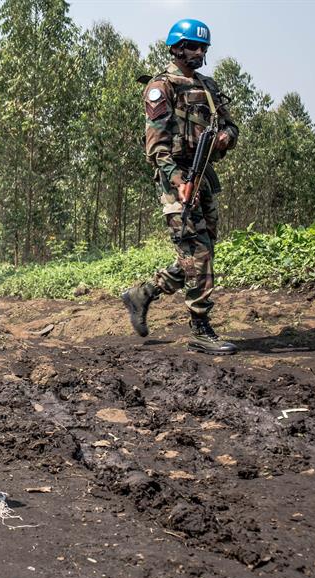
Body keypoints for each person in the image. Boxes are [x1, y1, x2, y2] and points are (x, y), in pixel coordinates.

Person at [121, 19, 238, 355]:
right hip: (177, 180)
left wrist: (226, 137)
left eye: (203, 47)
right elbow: (156, 147)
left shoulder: (209, 87)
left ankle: (142, 294)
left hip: (205, 177)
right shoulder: (161, 87)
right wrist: (179, 181)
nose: (198, 52)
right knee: (197, 252)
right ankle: (200, 328)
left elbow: (230, 124)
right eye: (192, 46)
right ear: (175, 47)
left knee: (199, 254)